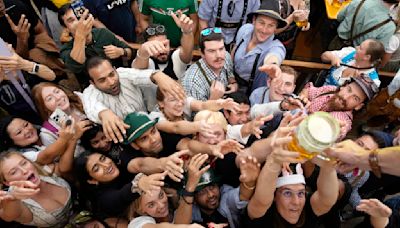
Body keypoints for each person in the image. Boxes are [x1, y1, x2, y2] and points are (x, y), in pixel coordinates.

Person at [244, 122, 339, 228]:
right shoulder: (262, 215)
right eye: (287, 193)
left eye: (301, 193)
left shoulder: (307, 211)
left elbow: (327, 199)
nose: (296, 202)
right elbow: (262, 200)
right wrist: (275, 160)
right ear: (274, 196)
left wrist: (328, 166)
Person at [81, 57, 185, 143]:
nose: (111, 82)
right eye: (102, 80)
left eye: (112, 74)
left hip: (152, 129)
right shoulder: (89, 93)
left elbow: (142, 75)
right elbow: (91, 107)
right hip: (127, 142)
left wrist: (158, 76)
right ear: (93, 83)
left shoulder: (123, 73)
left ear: (114, 69)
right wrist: (104, 113)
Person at [74, 152, 167, 223]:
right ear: (92, 180)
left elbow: (139, 164)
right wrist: (138, 183)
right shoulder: (103, 199)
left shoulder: (119, 165)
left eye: (102, 159)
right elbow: (121, 196)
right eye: (96, 168)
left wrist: (164, 163)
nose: (106, 165)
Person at [175, 154, 260, 228]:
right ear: (194, 198)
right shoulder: (187, 210)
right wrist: (190, 187)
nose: (211, 194)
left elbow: (242, 196)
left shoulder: (224, 197)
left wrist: (249, 182)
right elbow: (179, 226)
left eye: (212, 187)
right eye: (202, 192)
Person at [0, 151, 73, 227]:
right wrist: (13, 199)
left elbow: (66, 169)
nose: (24, 171)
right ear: (7, 183)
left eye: (24, 163)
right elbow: (9, 216)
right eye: (14, 172)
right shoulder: (13, 202)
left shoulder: (46, 170)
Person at [58, 5, 132, 76]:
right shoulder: (66, 49)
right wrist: (81, 36)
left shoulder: (102, 32)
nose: (79, 22)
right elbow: (75, 66)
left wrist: (121, 52)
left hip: (119, 75)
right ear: (66, 28)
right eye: (71, 20)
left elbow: (130, 51)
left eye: (79, 17)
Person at [232, 0, 287, 94]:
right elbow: (233, 52)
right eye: (261, 23)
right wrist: (230, 79)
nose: (264, 30)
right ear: (254, 20)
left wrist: (272, 65)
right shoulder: (245, 29)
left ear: (276, 28)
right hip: (231, 81)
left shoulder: (276, 46)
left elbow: (274, 56)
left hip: (251, 93)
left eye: (271, 25)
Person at [31, 82, 92, 157]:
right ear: (44, 108)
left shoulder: (79, 98)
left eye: (57, 92)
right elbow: (63, 161)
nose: (57, 98)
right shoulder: (47, 133)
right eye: (49, 99)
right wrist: (74, 137)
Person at [0, 45, 56, 125]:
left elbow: (52, 76)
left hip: (52, 110)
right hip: (28, 125)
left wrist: (26, 65)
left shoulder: (23, 64)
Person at [149, 87, 239, 136]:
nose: (180, 103)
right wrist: (198, 126)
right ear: (161, 103)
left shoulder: (184, 102)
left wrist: (220, 104)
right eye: (173, 100)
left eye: (181, 97)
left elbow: (202, 105)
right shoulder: (155, 117)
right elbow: (175, 127)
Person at [0, 116, 78, 171]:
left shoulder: (44, 131)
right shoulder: (22, 156)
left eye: (26, 125)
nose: (27, 131)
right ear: (11, 142)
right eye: (19, 132)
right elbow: (46, 156)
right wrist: (66, 138)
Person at [132, 12, 195, 80]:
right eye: (155, 47)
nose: (161, 50)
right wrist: (143, 51)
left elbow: (187, 52)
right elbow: (139, 69)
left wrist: (187, 32)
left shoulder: (175, 58)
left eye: (164, 45)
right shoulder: (147, 61)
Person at [182, 27, 238, 101]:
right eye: (212, 51)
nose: (219, 55)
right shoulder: (193, 82)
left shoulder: (226, 56)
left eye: (221, 49)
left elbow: (230, 74)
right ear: (202, 53)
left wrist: (233, 83)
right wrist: (213, 99)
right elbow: (196, 112)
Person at [329, 0, 396, 50]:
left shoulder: (360, 1)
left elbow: (339, 17)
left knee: (325, 63)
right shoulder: (389, 26)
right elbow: (377, 50)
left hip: (338, 43)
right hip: (357, 55)